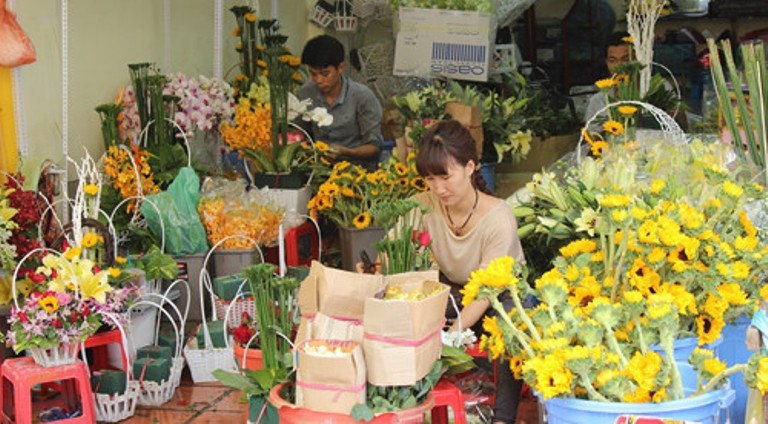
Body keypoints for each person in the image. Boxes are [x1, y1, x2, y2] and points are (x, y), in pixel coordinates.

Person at [414, 120, 526, 424]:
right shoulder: (421, 207)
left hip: (499, 296)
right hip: (453, 292)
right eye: (430, 179)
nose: (438, 188)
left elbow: (486, 292)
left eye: (445, 176)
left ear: (470, 167)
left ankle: (502, 418)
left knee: (510, 327)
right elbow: (395, 254)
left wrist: (452, 336)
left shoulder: (498, 217)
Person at [297, 35, 382, 170]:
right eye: (313, 74)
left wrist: (347, 152)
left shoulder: (362, 96)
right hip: (317, 169)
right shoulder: (305, 93)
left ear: (341, 67)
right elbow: (298, 134)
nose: (318, 80)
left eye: (325, 74)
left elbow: (374, 148)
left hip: (356, 170)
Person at [584, 31, 687, 130]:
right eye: (613, 61)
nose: (619, 66)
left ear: (637, 59)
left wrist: (671, 115)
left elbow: (682, 126)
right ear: (606, 62)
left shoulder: (659, 87)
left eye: (625, 59)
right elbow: (591, 138)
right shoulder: (598, 102)